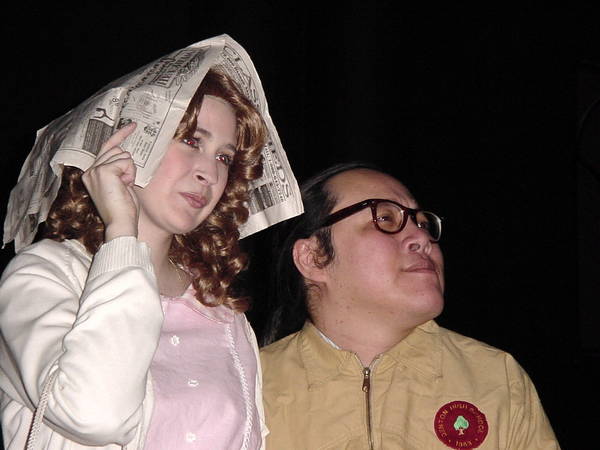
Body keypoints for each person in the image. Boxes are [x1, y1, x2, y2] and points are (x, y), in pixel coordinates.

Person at [0, 59, 280, 448]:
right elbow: (94, 415)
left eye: (224, 157)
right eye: (191, 141)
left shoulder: (221, 311)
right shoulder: (43, 276)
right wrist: (121, 231)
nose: (210, 174)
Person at [260, 162, 560, 449]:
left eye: (423, 223)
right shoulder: (251, 387)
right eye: (385, 219)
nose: (422, 237)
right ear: (313, 258)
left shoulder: (495, 379)